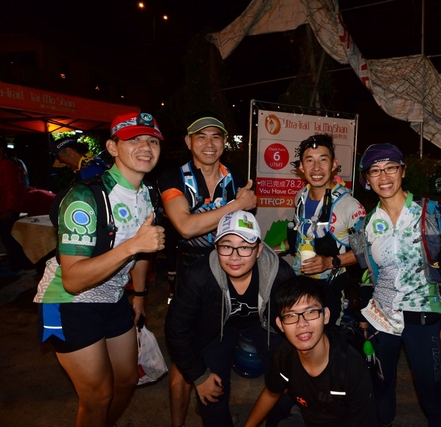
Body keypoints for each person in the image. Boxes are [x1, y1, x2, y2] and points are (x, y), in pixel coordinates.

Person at [33, 112, 166, 427]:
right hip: (66, 301)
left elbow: (144, 251)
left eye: (152, 141)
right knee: (97, 397)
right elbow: (73, 279)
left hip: (113, 296)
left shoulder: (148, 194)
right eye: (133, 139)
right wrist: (132, 246)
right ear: (112, 147)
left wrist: (139, 295)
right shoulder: (85, 196)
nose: (145, 147)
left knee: (127, 381)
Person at [157, 112, 257, 426]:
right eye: (201, 137)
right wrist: (236, 205)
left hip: (229, 272)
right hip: (190, 272)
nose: (209, 143)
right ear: (189, 142)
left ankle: (212, 410)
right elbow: (186, 227)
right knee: (183, 357)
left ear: (225, 143)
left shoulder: (236, 179)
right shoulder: (173, 177)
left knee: (220, 346)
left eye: (216, 137)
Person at [165, 210, 295, 427]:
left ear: (259, 250)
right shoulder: (198, 277)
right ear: (216, 247)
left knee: (285, 384)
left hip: (264, 324)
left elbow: (296, 322)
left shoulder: (279, 275)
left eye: (244, 247)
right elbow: (177, 329)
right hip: (217, 325)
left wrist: (294, 367)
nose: (235, 256)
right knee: (211, 391)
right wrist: (199, 376)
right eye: (226, 246)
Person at [358, 143, 441, 427]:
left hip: (423, 317)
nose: (384, 177)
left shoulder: (432, 212)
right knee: (380, 388)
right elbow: (367, 275)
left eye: (391, 168)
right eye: (375, 171)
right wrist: (364, 320)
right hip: (380, 318)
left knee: (432, 395)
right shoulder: (366, 223)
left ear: (403, 170)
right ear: (367, 179)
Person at [244, 275, 379, 427]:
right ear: (280, 325)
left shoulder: (351, 367)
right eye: (290, 315)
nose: (302, 324)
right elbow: (271, 393)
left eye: (310, 312)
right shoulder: (283, 355)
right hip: (304, 416)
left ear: (325, 316)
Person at [275, 134, 366, 325]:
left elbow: (366, 252)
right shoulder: (301, 196)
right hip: (300, 286)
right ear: (301, 166)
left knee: (329, 340)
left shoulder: (349, 206)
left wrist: (330, 261)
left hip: (330, 290)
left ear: (334, 164)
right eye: (310, 160)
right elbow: (300, 238)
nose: (316, 168)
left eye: (323, 160)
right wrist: (267, 251)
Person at [0, 137, 28, 277]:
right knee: (7, 238)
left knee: (10, 238)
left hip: (7, 208)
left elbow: (12, 188)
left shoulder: (7, 165)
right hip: (1, 207)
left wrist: (9, 209)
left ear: (0, 148)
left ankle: (18, 266)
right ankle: (15, 263)